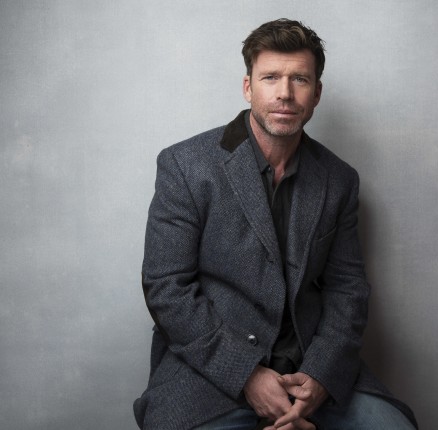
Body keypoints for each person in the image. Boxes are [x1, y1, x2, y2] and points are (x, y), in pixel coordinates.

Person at [133, 18, 417, 430]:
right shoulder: (185, 165)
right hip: (211, 371)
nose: (285, 93)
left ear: (316, 93)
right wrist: (246, 374)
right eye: (270, 78)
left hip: (310, 369)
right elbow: (166, 288)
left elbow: (347, 289)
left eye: (300, 79)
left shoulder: (339, 179)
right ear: (248, 87)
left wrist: (320, 376)